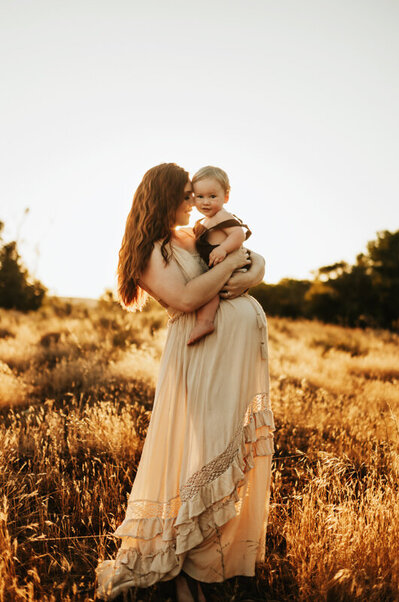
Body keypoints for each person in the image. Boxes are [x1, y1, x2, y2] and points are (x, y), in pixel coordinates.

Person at [96, 163, 275, 602]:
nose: (191, 201)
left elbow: (254, 265)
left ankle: (206, 560)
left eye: (195, 194)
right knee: (200, 452)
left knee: (223, 446)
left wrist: (244, 261)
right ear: (165, 197)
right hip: (199, 355)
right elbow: (189, 298)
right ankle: (179, 562)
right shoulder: (149, 251)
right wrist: (234, 261)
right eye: (185, 194)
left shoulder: (188, 237)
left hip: (232, 355)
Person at [187, 165, 252, 345]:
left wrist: (223, 248)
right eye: (200, 196)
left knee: (210, 292)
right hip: (217, 266)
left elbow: (238, 234)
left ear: (226, 197)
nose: (205, 202)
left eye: (212, 196)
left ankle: (205, 323)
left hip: (227, 268)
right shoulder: (204, 221)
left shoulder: (222, 215)